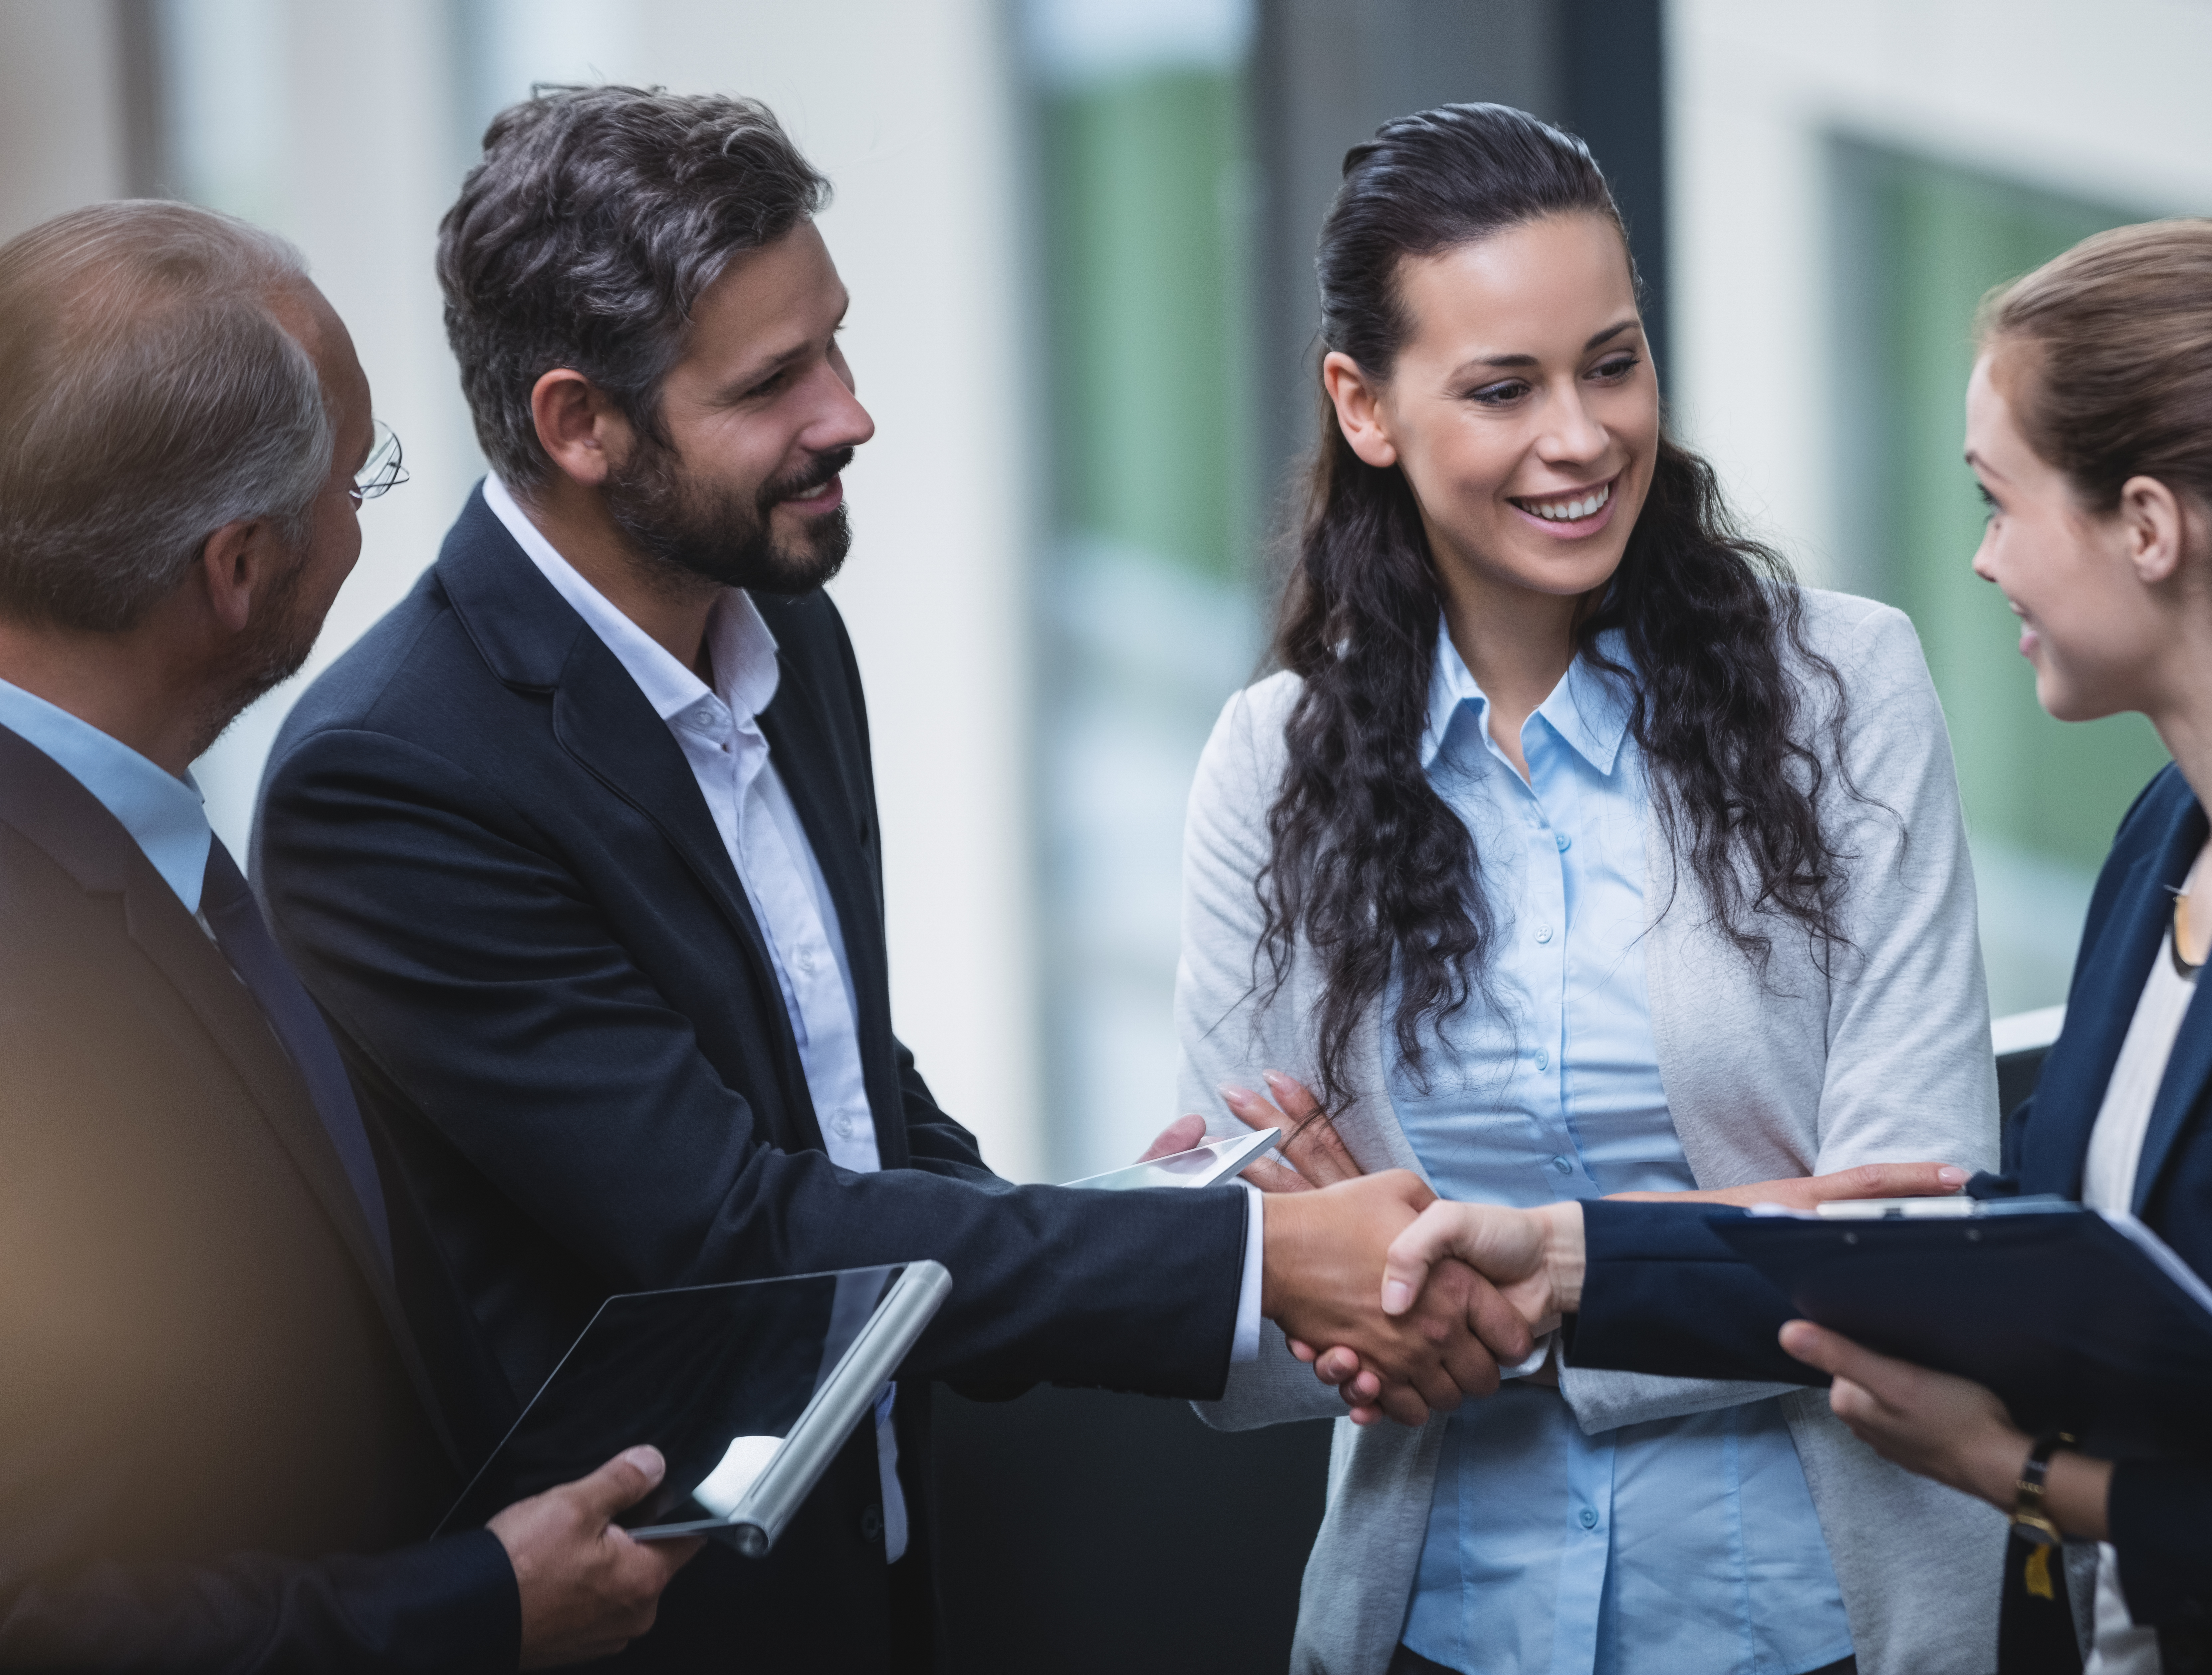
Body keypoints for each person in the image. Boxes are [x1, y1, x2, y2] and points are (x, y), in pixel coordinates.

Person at [250, 88, 1529, 1674]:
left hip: (884, 1571)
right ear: (580, 425)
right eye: (776, 380)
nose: (849, 413)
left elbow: (850, 1099)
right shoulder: (392, 777)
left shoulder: (782, 622)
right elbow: (735, 1229)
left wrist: (1143, 1213)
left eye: (835, 344)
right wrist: (1253, 1264)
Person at [1371, 219, 2212, 1672]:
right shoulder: (2174, 831)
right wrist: (1563, 1257)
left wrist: (2022, 1476)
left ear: (2147, 525)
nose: (1986, 560)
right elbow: (2019, 1261)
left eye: (2001, 501)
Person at [1173, 103, 2005, 1675]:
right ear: (1366, 405)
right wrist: (1737, 1236)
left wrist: (1492, 1279)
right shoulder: (1269, 767)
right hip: (1438, 1631)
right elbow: (1245, 1314)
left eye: (1611, 363)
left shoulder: (1848, 694)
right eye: (1504, 387)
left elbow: (1909, 1245)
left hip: (1808, 1625)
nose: (1583, 435)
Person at [0, 200, 692, 1669]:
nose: (368, 521)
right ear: (240, 566)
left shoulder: (124, 840)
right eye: (357, 477)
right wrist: (478, 1606)